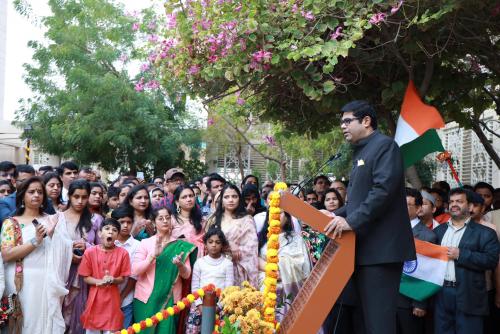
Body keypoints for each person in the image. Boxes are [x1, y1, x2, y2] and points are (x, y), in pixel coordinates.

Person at [324, 100, 415, 334]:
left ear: (366, 121)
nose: (342, 126)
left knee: (379, 324)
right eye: (340, 122)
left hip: (381, 253)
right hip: (364, 251)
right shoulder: (363, 150)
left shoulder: (384, 146)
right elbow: (357, 202)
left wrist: (350, 222)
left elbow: (382, 191)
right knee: (364, 323)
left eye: (347, 121)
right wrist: (332, 215)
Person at [1, 176, 73, 333]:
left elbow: (65, 251)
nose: (36, 195)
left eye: (40, 192)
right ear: (22, 196)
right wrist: (36, 240)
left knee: (44, 323)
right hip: (20, 282)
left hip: (47, 281)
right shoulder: (11, 223)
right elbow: (7, 255)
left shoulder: (52, 220)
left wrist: (55, 236)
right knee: (22, 324)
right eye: (31, 192)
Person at [433, 188, 499, 334]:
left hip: (469, 294)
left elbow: (491, 260)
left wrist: (461, 254)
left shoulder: (485, 233)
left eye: (459, 201)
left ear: (470, 206)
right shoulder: (438, 231)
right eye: (451, 202)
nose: (454, 205)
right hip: (442, 293)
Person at [132, 206, 197, 334]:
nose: (165, 221)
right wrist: (153, 256)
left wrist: (180, 264)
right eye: (161, 218)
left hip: (170, 300)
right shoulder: (145, 243)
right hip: (147, 299)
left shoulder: (181, 245)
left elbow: (186, 274)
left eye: (168, 218)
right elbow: (135, 270)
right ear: (154, 222)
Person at [57, 179, 101, 334]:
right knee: (59, 313)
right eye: (76, 196)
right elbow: (50, 248)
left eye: (84, 197)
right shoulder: (58, 218)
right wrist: (69, 251)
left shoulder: (95, 219)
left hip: (85, 276)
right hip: (61, 273)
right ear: (69, 196)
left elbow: (104, 250)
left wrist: (87, 248)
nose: (80, 201)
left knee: (79, 313)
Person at [257, 210, 311, 322]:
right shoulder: (261, 239)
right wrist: (269, 269)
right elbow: (254, 261)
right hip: (263, 289)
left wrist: (277, 268)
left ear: (287, 217)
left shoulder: (296, 239)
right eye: (272, 212)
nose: (275, 215)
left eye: (280, 213)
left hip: (287, 289)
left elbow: (301, 265)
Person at [78, 218, 131, 334]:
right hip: (95, 298)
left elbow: (123, 278)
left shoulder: (123, 253)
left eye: (114, 230)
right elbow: (86, 277)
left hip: (112, 299)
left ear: (117, 236)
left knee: (111, 330)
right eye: (107, 229)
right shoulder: (90, 252)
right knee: (92, 330)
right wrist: (99, 282)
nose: (110, 232)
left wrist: (113, 279)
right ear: (99, 233)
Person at [396, 188, 437, 334]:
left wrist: (420, 303)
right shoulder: (390, 230)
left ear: (419, 208)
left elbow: (427, 272)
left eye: (407, 204)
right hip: (388, 297)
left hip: (410, 300)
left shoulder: (427, 236)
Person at [207, 184, 258, 287]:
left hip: (240, 268)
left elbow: (251, 248)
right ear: (222, 200)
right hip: (217, 266)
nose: (231, 200)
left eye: (234, 196)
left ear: (239, 199)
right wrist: (229, 244)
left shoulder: (247, 219)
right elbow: (208, 242)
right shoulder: (214, 219)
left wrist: (235, 250)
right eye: (226, 197)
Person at [186, 228, 234, 334]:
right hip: (200, 303)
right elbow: (195, 287)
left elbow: (229, 289)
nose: (214, 245)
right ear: (205, 244)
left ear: (222, 245)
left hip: (220, 304)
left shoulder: (227, 264)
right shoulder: (200, 262)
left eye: (217, 242)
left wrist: (218, 306)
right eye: (210, 242)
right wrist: (199, 306)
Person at [112, 207, 140, 329]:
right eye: (121, 222)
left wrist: (122, 296)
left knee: (124, 329)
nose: (125, 225)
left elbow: (134, 276)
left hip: (127, 298)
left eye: (129, 222)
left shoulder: (138, 246)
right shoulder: (108, 243)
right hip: (107, 297)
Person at [172, 185, 205, 257]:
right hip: (178, 259)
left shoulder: (202, 220)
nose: (189, 199)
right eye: (184, 197)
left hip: (199, 258)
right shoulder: (171, 220)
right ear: (177, 202)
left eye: (191, 196)